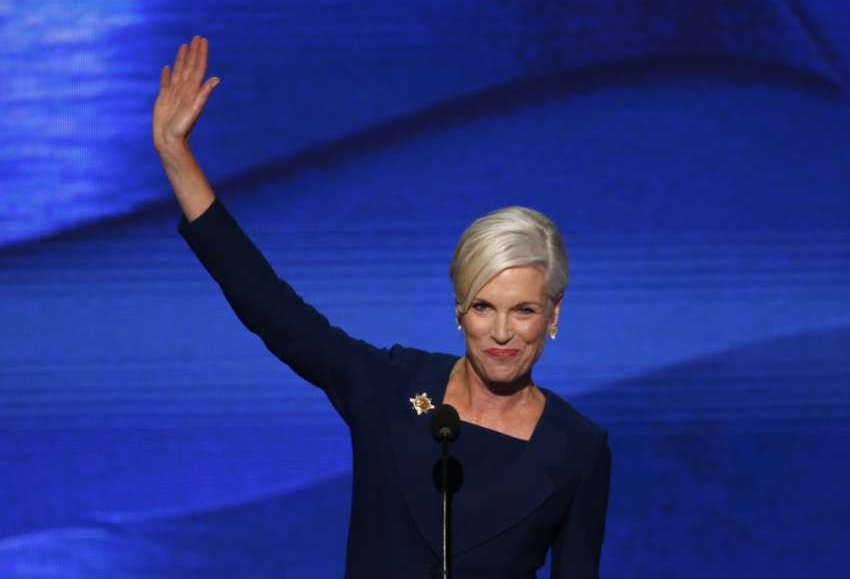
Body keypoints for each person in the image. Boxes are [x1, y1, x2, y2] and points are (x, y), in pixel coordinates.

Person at [153, 36, 611, 579]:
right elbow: (271, 307)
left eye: (525, 311)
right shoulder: (398, 389)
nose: (503, 332)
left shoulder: (579, 449)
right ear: (460, 309)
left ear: (554, 315)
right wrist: (175, 155)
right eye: (484, 307)